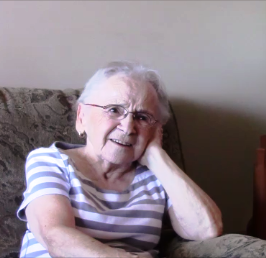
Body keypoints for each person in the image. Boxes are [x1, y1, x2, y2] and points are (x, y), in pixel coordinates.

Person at [17, 61, 223, 258]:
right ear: (81, 117)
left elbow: (206, 230)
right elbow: (55, 236)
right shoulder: (51, 161)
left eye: (142, 117)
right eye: (114, 110)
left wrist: (157, 158)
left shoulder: (157, 177)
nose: (127, 127)